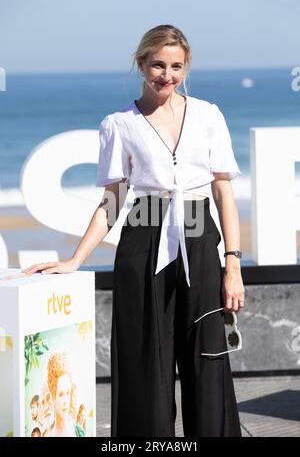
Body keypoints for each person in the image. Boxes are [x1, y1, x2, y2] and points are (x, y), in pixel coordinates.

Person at [23, 24, 245, 437]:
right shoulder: (119, 124)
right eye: (157, 65)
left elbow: (223, 191)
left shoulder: (209, 115)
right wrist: (75, 260)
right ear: (141, 64)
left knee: (207, 360)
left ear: (186, 66)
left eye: (176, 66)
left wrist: (233, 264)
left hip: (200, 242)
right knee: (146, 364)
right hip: (143, 242)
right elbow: (112, 200)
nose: (167, 75)